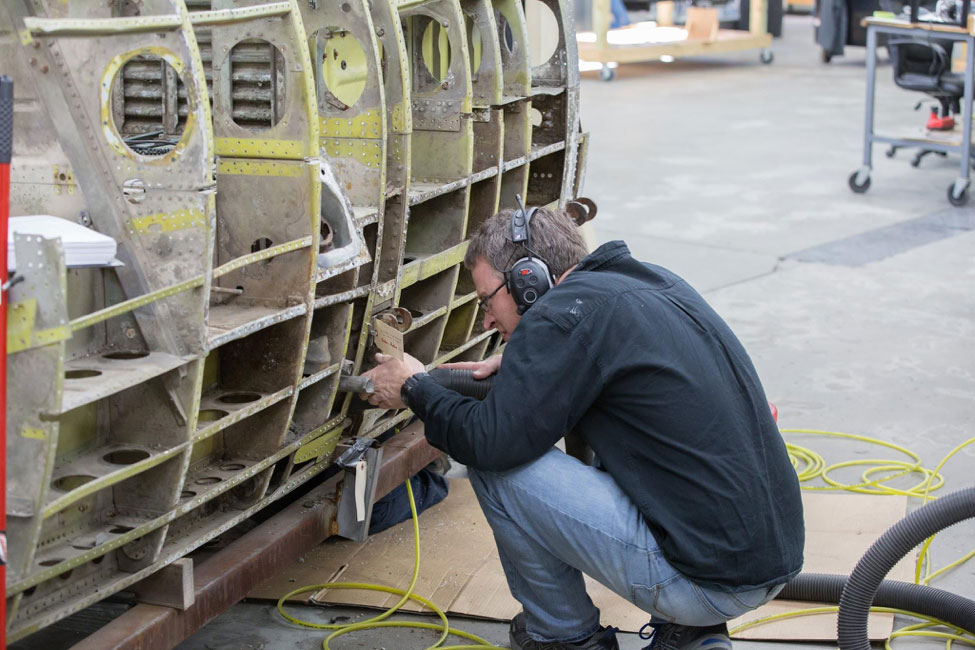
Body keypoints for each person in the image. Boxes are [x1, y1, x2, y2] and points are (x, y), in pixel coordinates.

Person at [361, 206, 804, 650]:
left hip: (703, 582)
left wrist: (414, 387)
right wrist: (528, 360)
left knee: (492, 460)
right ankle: (691, 635)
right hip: (763, 564)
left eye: (486, 301)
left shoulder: (563, 317)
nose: (487, 322)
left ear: (526, 280)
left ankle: (564, 637)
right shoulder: (649, 283)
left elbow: (490, 441)